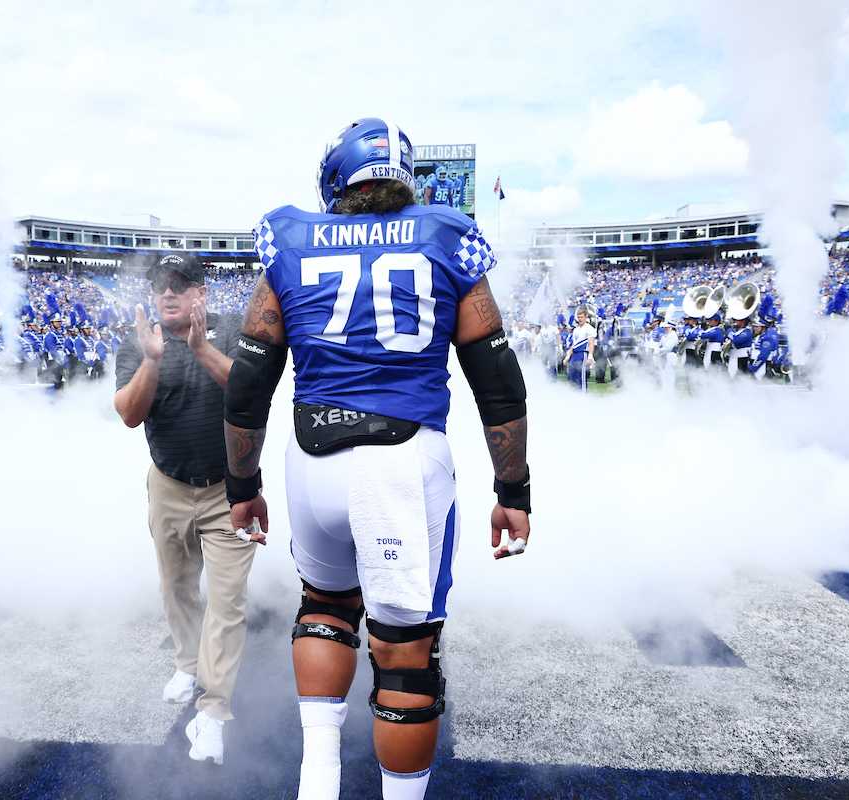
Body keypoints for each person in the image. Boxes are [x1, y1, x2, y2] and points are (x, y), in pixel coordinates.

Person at [222, 118, 531, 800]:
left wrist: (241, 482)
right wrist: (516, 488)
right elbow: (498, 382)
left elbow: (248, 383)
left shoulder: (291, 235)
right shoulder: (446, 232)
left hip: (312, 456)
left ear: (335, 179)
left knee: (324, 605)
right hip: (402, 461)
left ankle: (318, 779)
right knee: (405, 656)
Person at [113, 253, 262, 766]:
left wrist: (199, 349)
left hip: (229, 489)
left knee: (227, 600)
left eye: (180, 284)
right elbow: (130, 416)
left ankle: (215, 710)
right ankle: (187, 662)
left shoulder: (231, 329)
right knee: (175, 584)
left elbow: (252, 393)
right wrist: (152, 359)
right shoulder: (139, 340)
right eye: (160, 285)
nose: (168, 293)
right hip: (170, 483)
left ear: (202, 291)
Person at [563, 305, 596, 390]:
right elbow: (574, 344)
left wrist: (590, 357)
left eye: (581, 317)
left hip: (583, 353)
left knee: (581, 376)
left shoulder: (589, 329)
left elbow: (591, 343)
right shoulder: (576, 330)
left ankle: (583, 396)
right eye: (578, 317)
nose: (580, 319)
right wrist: (567, 357)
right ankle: (575, 394)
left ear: (586, 317)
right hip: (575, 354)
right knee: (571, 375)